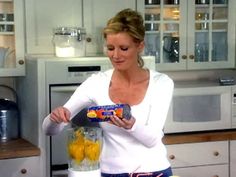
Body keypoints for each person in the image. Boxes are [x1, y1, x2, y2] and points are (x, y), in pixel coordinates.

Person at [43, 8, 174, 177]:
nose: (116, 55)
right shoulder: (96, 83)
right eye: (111, 48)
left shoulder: (161, 83)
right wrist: (55, 118)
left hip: (154, 171)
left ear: (140, 46)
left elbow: (153, 139)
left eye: (124, 48)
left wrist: (131, 124)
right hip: (110, 172)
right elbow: (50, 130)